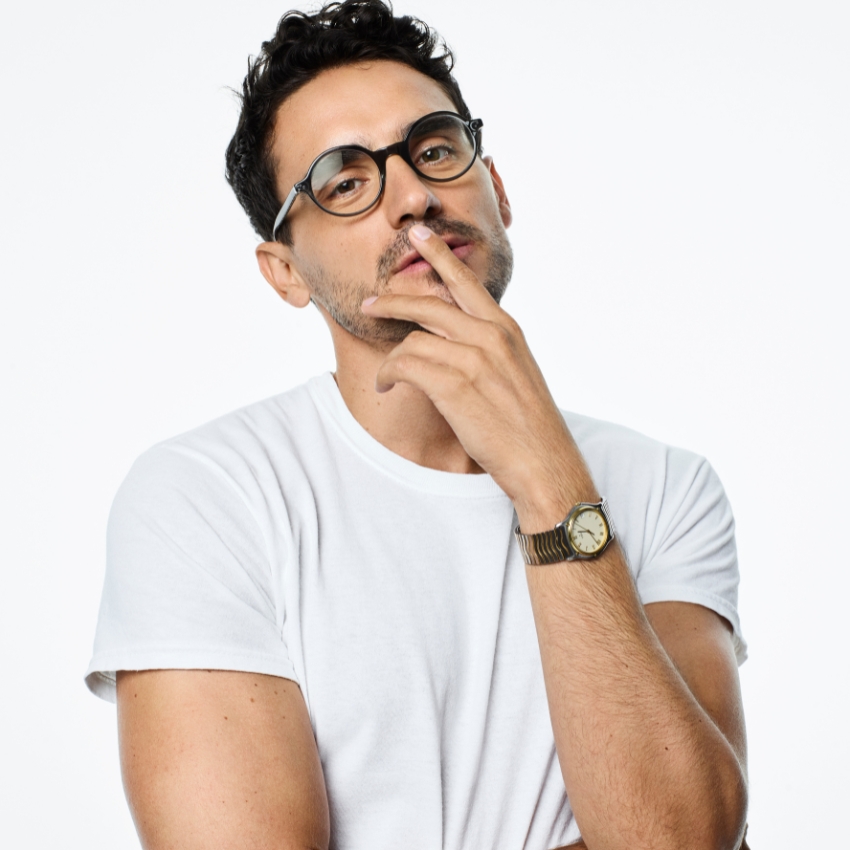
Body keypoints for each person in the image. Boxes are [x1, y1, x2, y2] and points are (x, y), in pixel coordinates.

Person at [86, 2, 750, 848]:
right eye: (345, 182)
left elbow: (684, 835)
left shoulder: (666, 488)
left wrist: (547, 476)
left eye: (435, 149)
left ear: (496, 190)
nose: (413, 197)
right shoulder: (205, 498)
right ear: (285, 272)